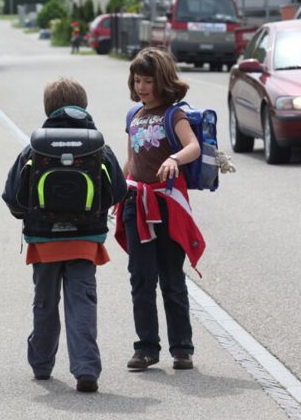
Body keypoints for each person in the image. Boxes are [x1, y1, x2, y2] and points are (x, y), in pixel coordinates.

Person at [2, 78, 127, 393]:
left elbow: (12, 194)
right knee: (82, 303)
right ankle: (86, 370)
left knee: (44, 303)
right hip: (85, 242)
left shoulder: (36, 145)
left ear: (48, 109)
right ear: (83, 106)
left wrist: (28, 215)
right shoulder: (96, 144)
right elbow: (118, 190)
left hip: (44, 243)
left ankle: (42, 366)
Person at [114, 47, 204, 372]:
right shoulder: (133, 116)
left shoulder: (173, 114)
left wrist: (173, 158)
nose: (141, 87)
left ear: (162, 81)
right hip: (135, 204)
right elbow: (131, 161)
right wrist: (118, 191)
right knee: (140, 277)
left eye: (148, 81)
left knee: (171, 277)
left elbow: (193, 146)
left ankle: (182, 348)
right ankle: (146, 348)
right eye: (137, 80)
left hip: (166, 205)